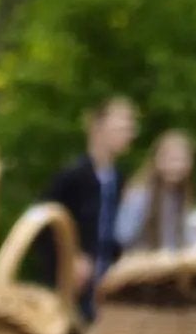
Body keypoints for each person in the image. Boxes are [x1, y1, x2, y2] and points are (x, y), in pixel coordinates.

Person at [47, 95, 137, 312]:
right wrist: (71, 257)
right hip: (74, 287)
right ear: (97, 127)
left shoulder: (120, 180)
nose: (128, 134)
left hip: (108, 287)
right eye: (121, 126)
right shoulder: (72, 176)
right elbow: (46, 224)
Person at [117, 129, 196, 256]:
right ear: (158, 160)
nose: (177, 166)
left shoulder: (179, 196)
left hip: (170, 267)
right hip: (143, 267)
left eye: (181, 160)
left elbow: (190, 236)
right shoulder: (140, 195)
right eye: (172, 159)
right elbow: (122, 236)